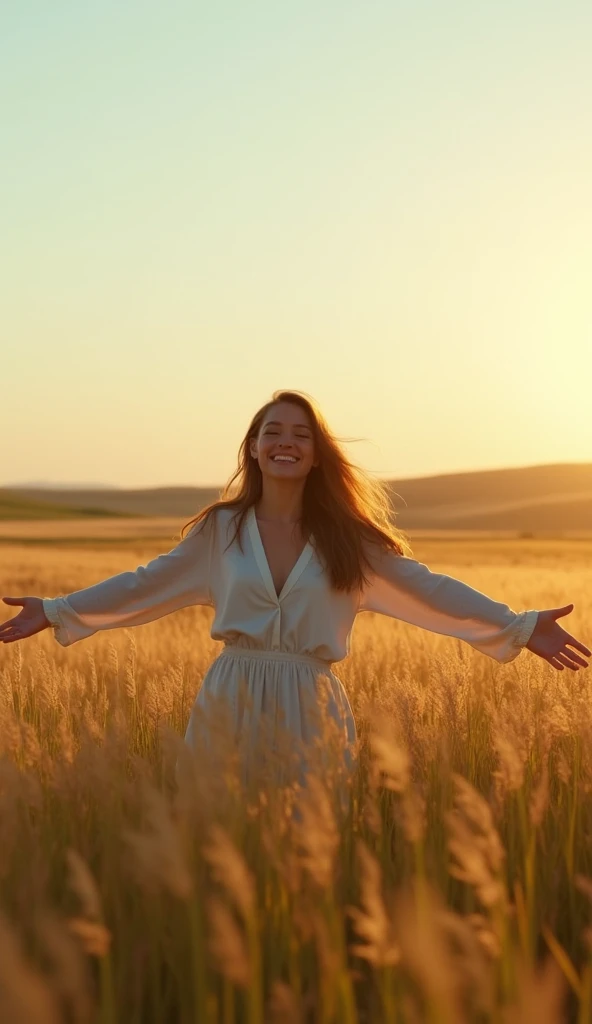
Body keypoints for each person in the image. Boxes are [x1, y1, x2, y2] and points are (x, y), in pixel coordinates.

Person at [1, 390, 590, 805]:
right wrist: (57, 610)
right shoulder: (221, 531)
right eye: (272, 432)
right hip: (229, 697)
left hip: (313, 707)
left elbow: (428, 588)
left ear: (316, 454)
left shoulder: (350, 541)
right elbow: (144, 582)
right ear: (253, 449)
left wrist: (518, 625)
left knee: (306, 850)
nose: (285, 442)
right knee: (219, 836)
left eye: (300, 435)